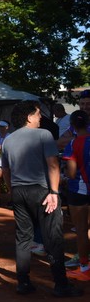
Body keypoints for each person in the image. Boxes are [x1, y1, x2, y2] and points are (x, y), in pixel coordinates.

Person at [1, 100, 82, 297]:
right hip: (42, 191)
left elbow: (5, 169)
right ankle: (61, 285)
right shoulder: (43, 135)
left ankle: (23, 282)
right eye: (38, 114)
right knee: (52, 237)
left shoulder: (8, 140)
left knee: (23, 238)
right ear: (29, 117)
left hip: (19, 191)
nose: (40, 118)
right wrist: (54, 192)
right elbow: (53, 165)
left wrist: (12, 189)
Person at [61, 110, 90, 281]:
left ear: (72, 126)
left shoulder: (72, 144)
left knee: (81, 230)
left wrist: (64, 177)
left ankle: (85, 267)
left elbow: (71, 173)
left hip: (78, 190)